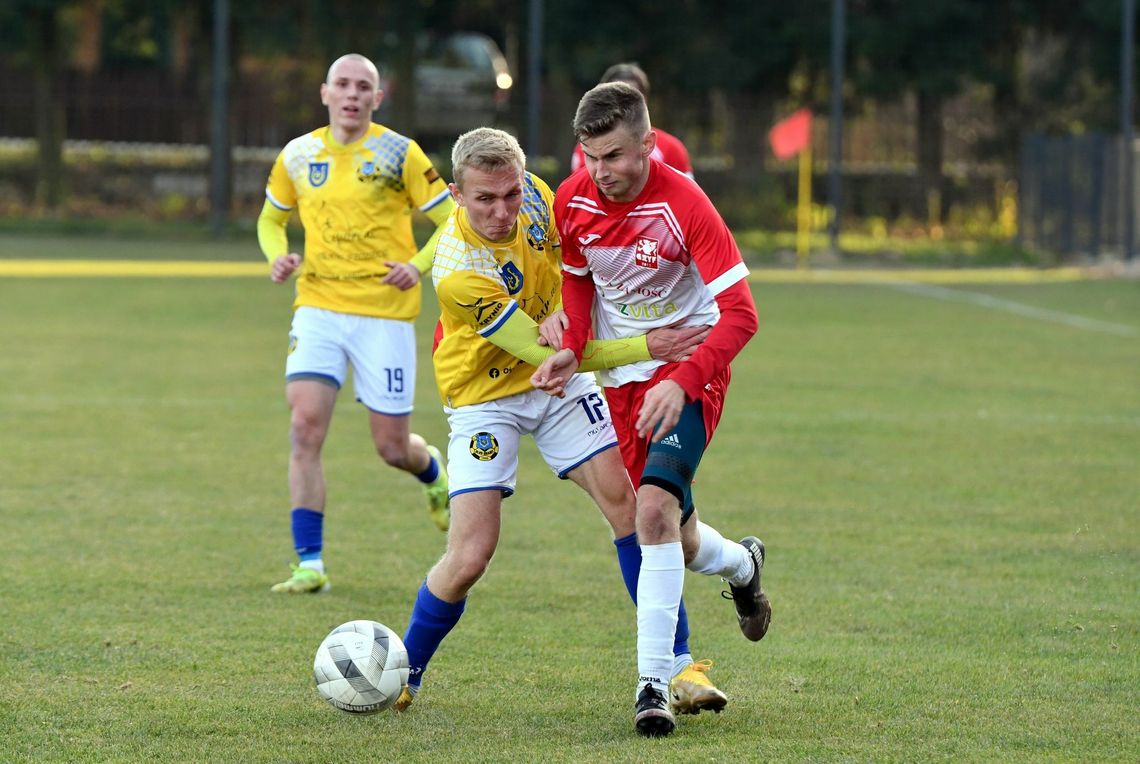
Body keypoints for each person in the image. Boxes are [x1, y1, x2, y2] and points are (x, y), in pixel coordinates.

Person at [393, 127, 729, 718]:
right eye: (484, 200)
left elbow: (577, 282)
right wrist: (649, 344)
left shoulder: (543, 199)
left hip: (560, 388)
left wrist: (570, 320)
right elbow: (552, 357)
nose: (502, 212)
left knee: (635, 508)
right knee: (472, 553)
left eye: (511, 195)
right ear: (455, 194)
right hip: (485, 395)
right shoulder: (456, 269)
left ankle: (678, 665)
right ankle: (403, 672)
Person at [531, 82, 772, 737]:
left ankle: (652, 684)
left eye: (612, 155)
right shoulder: (571, 200)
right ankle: (744, 566)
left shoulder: (685, 203)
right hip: (622, 383)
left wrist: (684, 381)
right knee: (678, 534)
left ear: (647, 142)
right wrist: (572, 350)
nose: (600, 171)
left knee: (651, 511)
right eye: (589, 156)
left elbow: (743, 315)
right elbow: (578, 286)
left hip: (692, 372)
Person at [257, 53, 455, 594]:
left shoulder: (400, 154)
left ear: (377, 96)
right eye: (341, 85)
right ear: (324, 93)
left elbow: (451, 221)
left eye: (362, 86)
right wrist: (276, 254)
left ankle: (430, 470)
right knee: (304, 428)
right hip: (318, 307)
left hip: (383, 316)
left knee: (391, 448)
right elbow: (272, 218)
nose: (351, 94)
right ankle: (310, 564)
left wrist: (416, 268)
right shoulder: (298, 154)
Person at [569, 62, 692, 179]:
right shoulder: (585, 148)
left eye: (629, 98)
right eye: (614, 97)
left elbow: (687, 195)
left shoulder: (672, 148)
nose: (621, 105)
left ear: (644, 101)